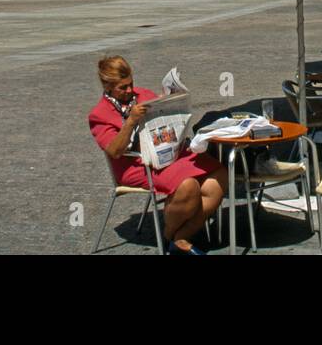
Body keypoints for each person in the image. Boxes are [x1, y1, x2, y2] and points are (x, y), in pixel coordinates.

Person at [87, 56, 228, 255]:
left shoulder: (143, 95)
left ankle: (180, 237)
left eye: (131, 84)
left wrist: (170, 102)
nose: (129, 90)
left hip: (167, 154)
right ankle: (170, 234)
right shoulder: (100, 114)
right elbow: (114, 151)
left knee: (218, 175)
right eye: (122, 87)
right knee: (188, 186)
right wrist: (130, 122)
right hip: (136, 164)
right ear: (108, 87)